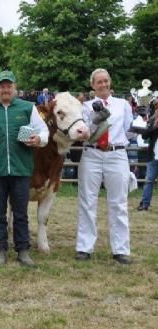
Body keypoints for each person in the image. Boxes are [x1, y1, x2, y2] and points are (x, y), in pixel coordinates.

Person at [0, 70, 48, 266]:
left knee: (20, 213)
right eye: (2, 86)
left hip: (21, 168)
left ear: (15, 88)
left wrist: (38, 139)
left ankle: (23, 250)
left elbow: (44, 131)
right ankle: (0, 249)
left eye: (9, 86)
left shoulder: (28, 108)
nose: (5, 89)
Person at [76, 68, 133, 265]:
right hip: (91, 153)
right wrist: (94, 120)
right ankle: (84, 247)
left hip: (116, 154)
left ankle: (121, 249)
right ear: (93, 85)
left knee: (118, 202)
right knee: (87, 200)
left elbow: (129, 131)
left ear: (110, 82)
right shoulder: (86, 106)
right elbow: (83, 132)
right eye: (99, 82)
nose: (103, 85)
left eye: (106, 81)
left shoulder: (123, 104)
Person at [137, 101, 158, 211]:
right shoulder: (152, 120)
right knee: (149, 181)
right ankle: (144, 204)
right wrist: (153, 125)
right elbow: (144, 136)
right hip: (153, 157)